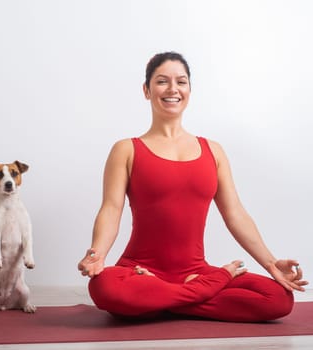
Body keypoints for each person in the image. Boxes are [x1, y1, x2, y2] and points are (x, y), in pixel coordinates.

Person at [78, 52, 308, 322]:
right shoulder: (126, 149)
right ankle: (194, 292)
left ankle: (159, 301)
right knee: (104, 288)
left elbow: (235, 214)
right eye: (162, 81)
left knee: (278, 299)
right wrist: (98, 254)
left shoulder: (213, 151)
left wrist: (271, 263)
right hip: (139, 270)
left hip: (195, 271)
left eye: (181, 82)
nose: (173, 89)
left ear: (189, 89)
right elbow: (111, 209)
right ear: (146, 90)